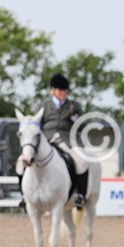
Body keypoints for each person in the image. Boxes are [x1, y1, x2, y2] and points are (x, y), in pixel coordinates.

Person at [40, 72, 90, 208]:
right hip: (47, 140)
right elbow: (37, 123)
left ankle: (81, 195)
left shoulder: (74, 105)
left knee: (82, 161)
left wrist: (75, 118)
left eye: (65, 90)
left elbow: (83, 126)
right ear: (53, 90)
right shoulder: (44, 105)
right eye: (60, 90)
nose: (63, 93)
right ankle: (25, 196)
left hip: (67, 140)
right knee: (22, 162)